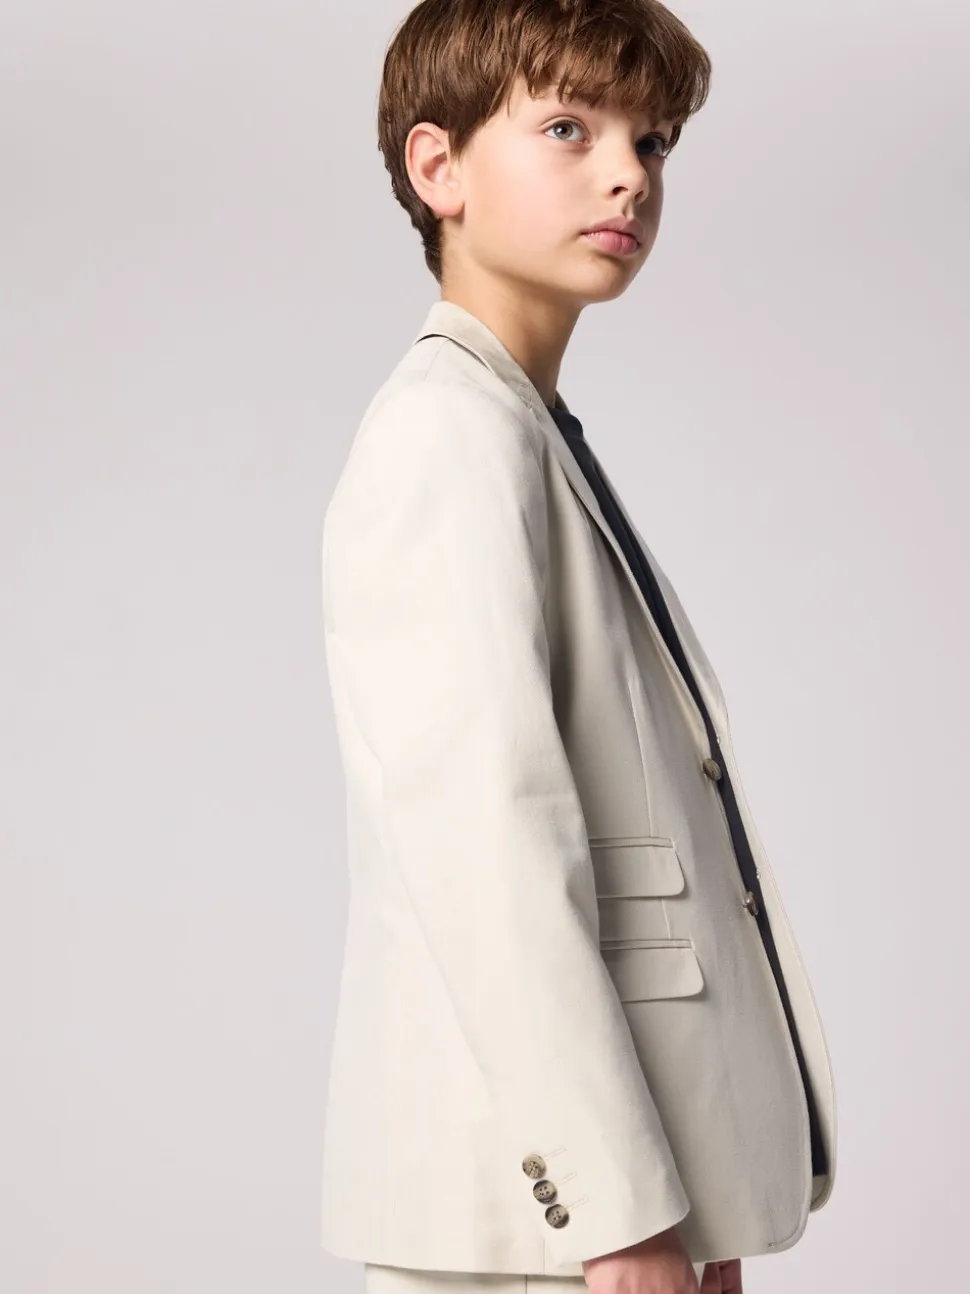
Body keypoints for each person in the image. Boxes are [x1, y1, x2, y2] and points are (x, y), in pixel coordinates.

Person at [318, 2, 837, 1292]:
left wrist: (696, 1208)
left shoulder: (523, 425)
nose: (629, 176)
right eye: (568, 129)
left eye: (651, 141)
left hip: (618, 1202)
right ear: (436, 167)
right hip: (533, 1223)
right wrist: (619, 1216)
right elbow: (484, 850)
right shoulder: (445, 437)